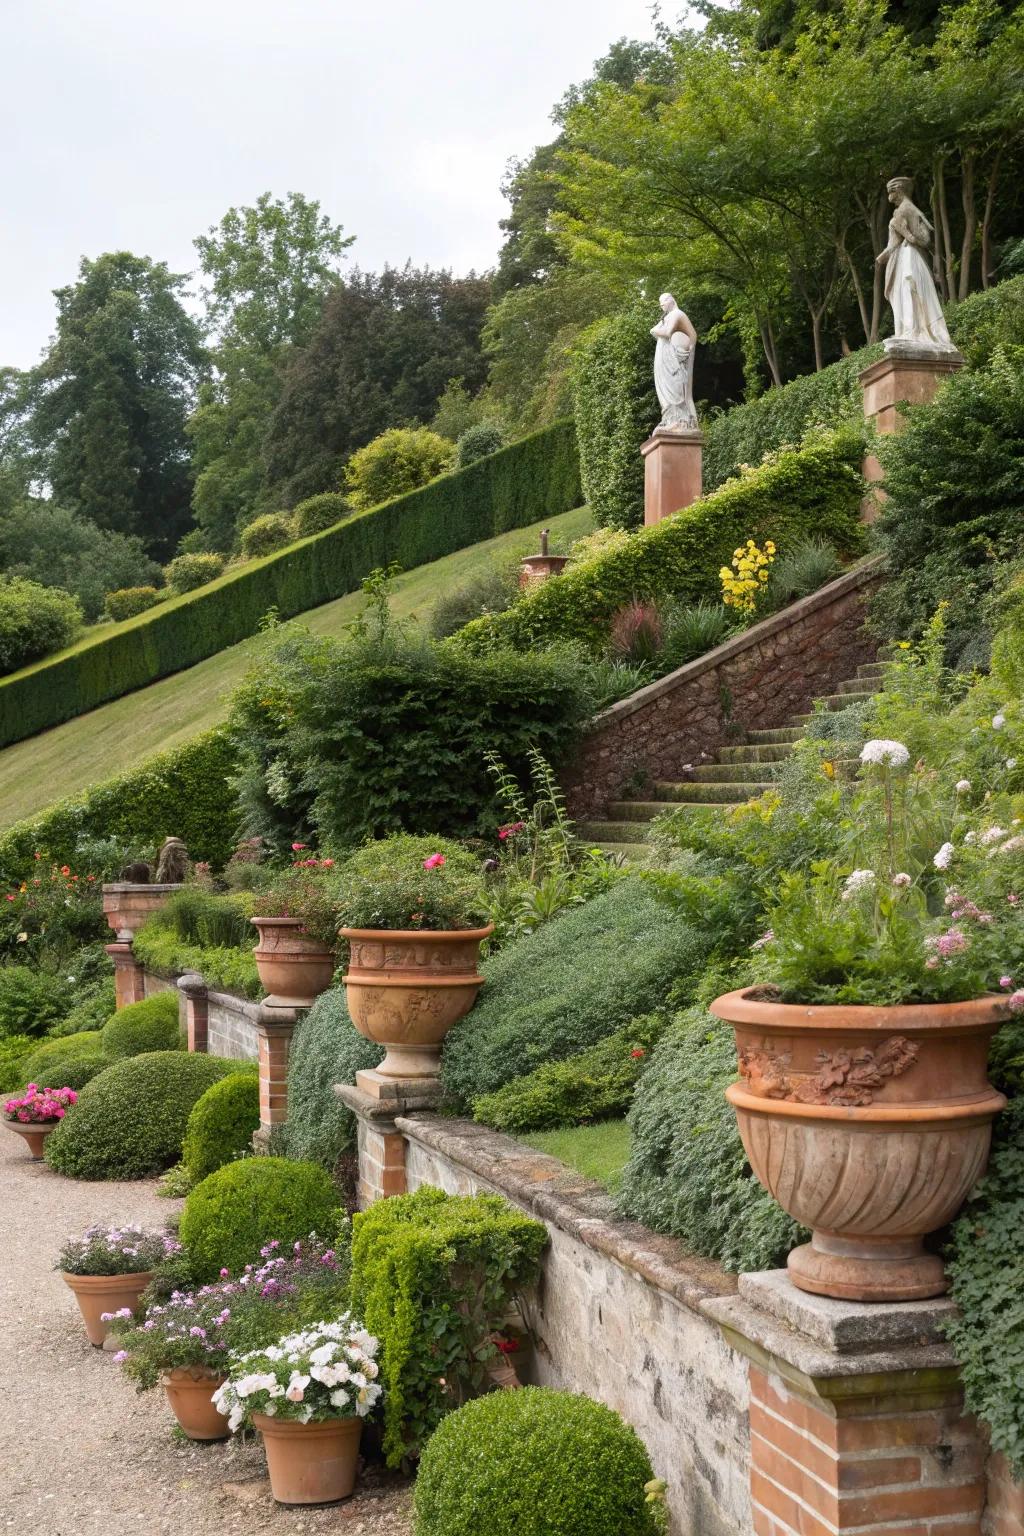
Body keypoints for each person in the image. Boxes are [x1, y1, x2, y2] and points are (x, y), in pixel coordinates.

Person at [875, 177, 956, 353]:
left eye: (892, 191)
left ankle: (914, 331)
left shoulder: (909, 209)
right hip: (901, 257)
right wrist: (883, 255)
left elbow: (926, 239)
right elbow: (893, 243)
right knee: (901, 292)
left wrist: (906, 233)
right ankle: (907, 331)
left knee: (910, 288)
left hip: (910, 257)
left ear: (900, 190)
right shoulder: (899, 211)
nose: (890, 195)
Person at [651, 293, 698, 428]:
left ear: (671, 300)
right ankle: (669, 418)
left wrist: (653, 331)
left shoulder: (677, 314)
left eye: (663, 301)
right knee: (664, 387)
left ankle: (681, 419)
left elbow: (667, 332)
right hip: (664, 358)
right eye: (660, 303)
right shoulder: (667, 317)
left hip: (673, 359)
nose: (662, 305)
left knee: (674, 386)